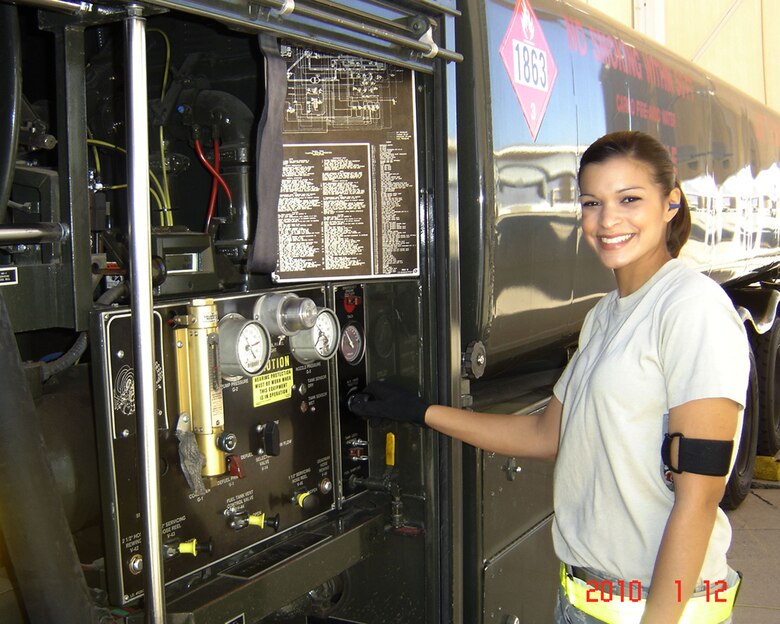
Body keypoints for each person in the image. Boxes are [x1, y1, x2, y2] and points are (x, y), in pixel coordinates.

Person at [349, 131, 750, 624]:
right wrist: (421, 412)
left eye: (629, 199)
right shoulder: (606, 314)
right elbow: (546, 433)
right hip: (588, 600)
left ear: (670, 204)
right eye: (591, 202)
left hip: (655, 607)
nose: (608, 220)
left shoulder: (692, 308)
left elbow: (700, 497)